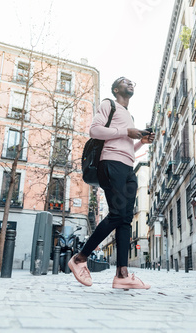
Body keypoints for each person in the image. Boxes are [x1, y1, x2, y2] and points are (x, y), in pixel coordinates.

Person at [68, 77, 154, 290]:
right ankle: (79, 259)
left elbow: (125, 147)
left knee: (125, 220)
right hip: (110, 164)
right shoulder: (109, 104)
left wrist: (139, 142)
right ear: (116, 89)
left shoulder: (130, 115)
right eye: (125, 81)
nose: (130, 83)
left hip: (127, 167)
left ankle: (122, 275)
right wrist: (126, 132)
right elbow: (95, 131)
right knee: (116, 214)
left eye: (132, 81)